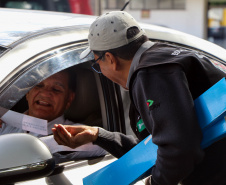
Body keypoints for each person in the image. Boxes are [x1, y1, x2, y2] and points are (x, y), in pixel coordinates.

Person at [52, 11, 226, 185]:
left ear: (110, 59)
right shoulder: (164, 60)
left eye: (98, 64)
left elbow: (178, 149)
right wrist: (98, 135)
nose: (101, 71)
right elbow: (153, 148)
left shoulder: (152, 73)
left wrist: (155, 182)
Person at [0, 69, 106, 162]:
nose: (45, 93)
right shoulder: (4, 125)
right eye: (39, 85)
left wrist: (47, 144)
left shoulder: (73, 132)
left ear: (69, 99)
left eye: (56, 89)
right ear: (28, 93)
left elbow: (104, 146)